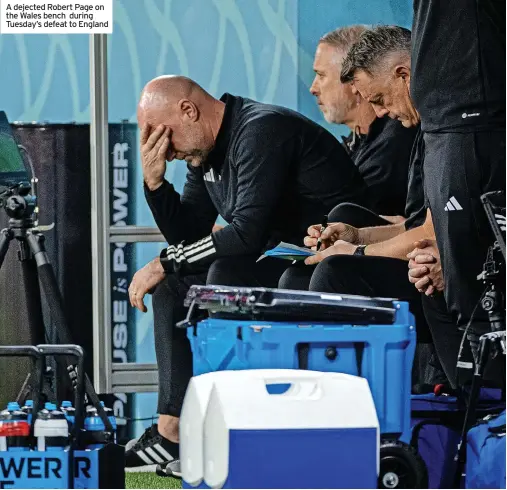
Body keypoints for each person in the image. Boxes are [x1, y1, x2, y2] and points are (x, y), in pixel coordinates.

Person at [125, 75, 368, 474]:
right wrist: (155, 186)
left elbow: (246, 234)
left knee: (225, 273)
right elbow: (191, 236)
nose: (164, 152)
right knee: (175, 286)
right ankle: (172, 431)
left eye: (163, 136)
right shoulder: (204, 152)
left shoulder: (261, 130)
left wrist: (167, 260)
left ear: (189, 111)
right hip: (298, 261)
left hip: (348, 261)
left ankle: (232, 429)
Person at [280, 26, 447, 386]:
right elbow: (413, 222)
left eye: (380, 98)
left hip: (448, 283)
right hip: (426, 267)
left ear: (403, 75)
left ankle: (341, 403)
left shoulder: (432, 132)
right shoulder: (421, 131)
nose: (381, 111)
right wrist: (356, 234)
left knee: (336, 272)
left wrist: (356, 250)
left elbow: (429, 233)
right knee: (303, 268)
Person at [409, 0, 506, 358]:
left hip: (473, 123)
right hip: (445, 128)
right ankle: (480, 405)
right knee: (448, 284)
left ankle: (496, 405)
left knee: (477, 296)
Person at [310, 25, 418, 218]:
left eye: (321, 75)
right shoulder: (357, 143)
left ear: (353, 81)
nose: (313, 88)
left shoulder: (399, 135)